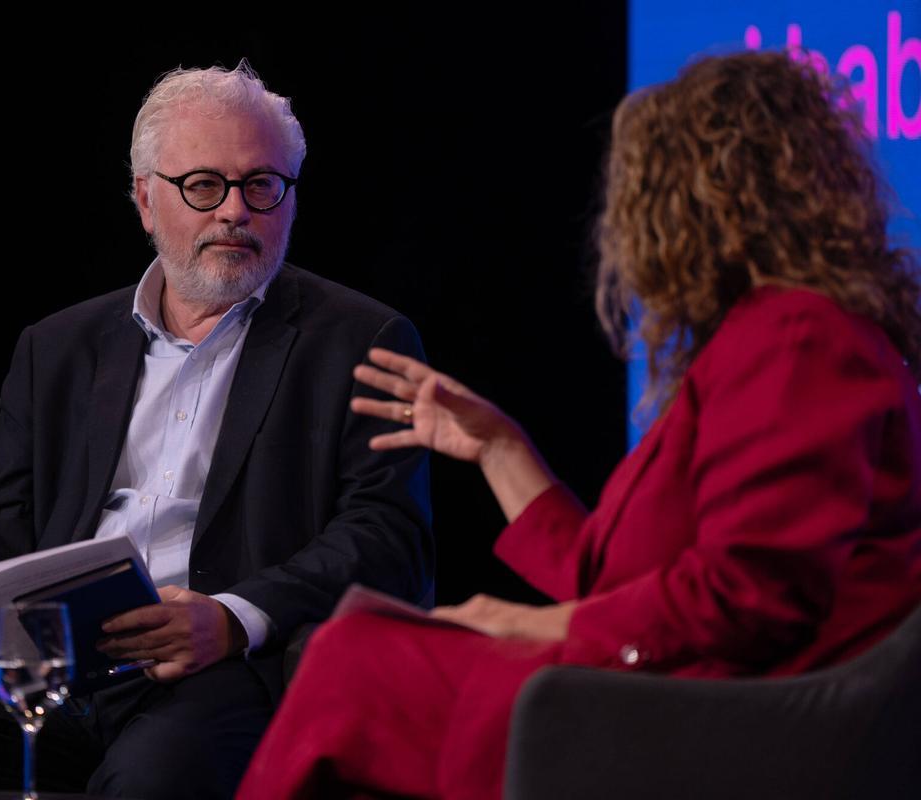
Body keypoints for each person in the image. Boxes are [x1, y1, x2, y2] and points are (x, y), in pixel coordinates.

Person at [235, 50, 921, 800]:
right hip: (679, 682)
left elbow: (748, 594)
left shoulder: (798, 337)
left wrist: (540, 626)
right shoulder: (768, 335)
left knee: (351, 660)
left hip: (733, 712)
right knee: (353, 646)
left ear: (702, 198)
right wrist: (497, 449)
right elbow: (619, 586)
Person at [0, 61, 433, 799]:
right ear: (144, 199)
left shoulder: (360, 338)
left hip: (217, 670)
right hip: (51, 661)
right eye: (204, 186)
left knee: (147, 782)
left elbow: (389, 538)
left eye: (262, 185)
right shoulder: (59, 347)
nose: (236, 211)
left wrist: (232, 619)